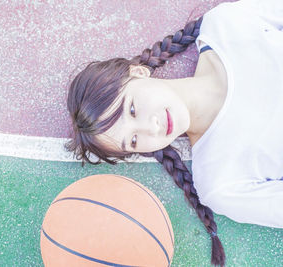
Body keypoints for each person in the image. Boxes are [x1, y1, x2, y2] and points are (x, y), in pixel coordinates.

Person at [65, 0, 283, 266]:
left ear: (138, 72)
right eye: (133, 140)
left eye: (132, 109)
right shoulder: (219, 183)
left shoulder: (226, 26)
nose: (150, 128)